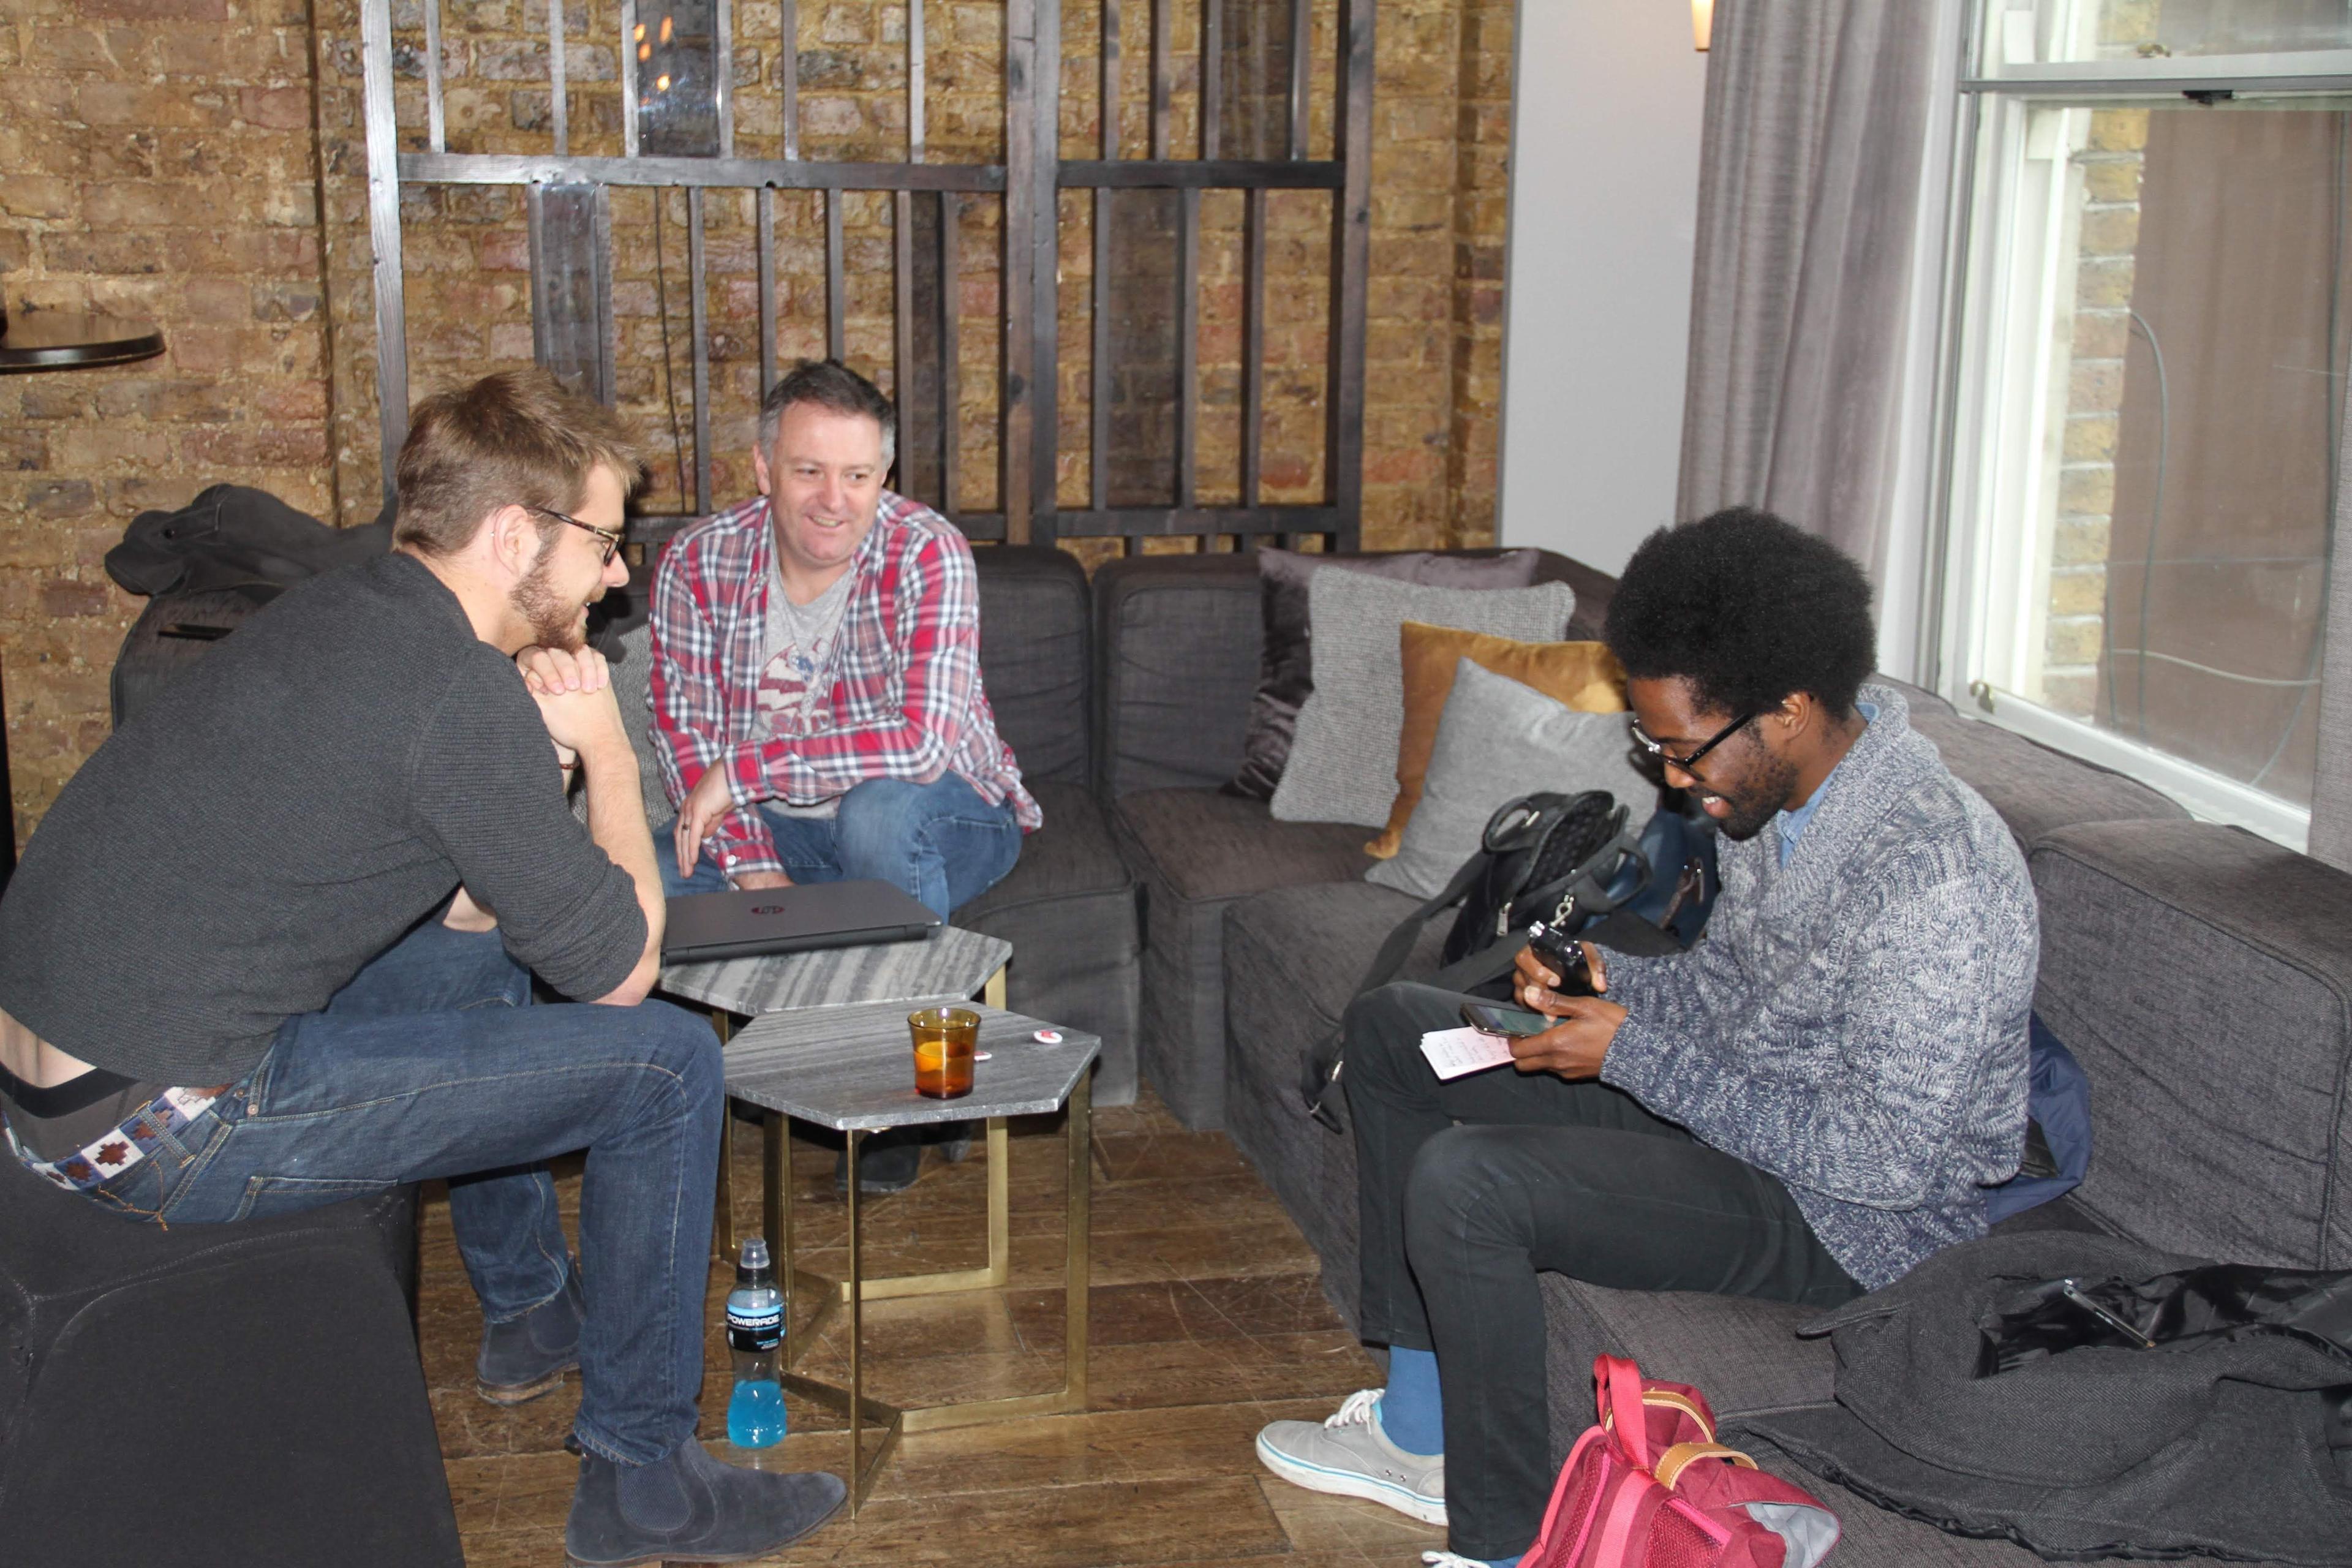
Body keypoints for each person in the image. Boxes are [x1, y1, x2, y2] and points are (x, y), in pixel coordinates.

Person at [0, 369, 844, 1566]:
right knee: (666, 1065)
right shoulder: (456, 693)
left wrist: (537, 782)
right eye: (603, 542)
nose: (617, 577)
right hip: (156, 1123)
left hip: (52, 1078)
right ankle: (646, 1483)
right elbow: (620, 972)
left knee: (487, 955)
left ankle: (529, 1307)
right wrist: (608, 748)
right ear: (513, 535)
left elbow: (468, 909)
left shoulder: (352, 610)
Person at [1254, 508, 2038, 1568]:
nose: (1671, 779)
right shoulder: (1777, 798)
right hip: (1736, 1121)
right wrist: (1605, 981)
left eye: (1679, 749)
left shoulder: (1936, 881)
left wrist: (1628, 1053)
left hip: (1851, 1222)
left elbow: (1887, 1163)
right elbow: (1727, 991)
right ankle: (1419, 1433)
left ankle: (1506, 1544)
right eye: (1654, 747)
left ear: (1788, 711)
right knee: (1398, 1027)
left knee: (1468, 1184)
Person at [650, 357, 1038, 1191]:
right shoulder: (696, 560)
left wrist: (746, 769)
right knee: (642, 876)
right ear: (764, 469)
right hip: (781, 828)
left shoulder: (927, 550)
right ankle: (674, 1111)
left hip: (949, 811)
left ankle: (902, 1094)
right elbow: (684, 731)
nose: (835, 499)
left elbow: (920, 745)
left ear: (883, 476)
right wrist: (753, 867)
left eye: (857, 476)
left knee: (877, 815)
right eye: (809, 472)